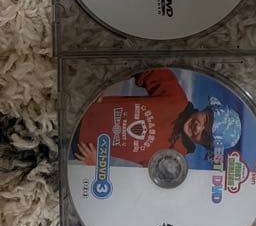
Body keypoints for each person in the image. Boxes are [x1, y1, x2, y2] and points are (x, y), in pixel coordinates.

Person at [72, 69, 242, 168]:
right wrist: (103, 81)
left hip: (77, 148)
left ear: (204, 146)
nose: (199, 127)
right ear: (206, 109)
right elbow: (145, 66)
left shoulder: (172, 159)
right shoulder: (176, 99)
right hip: (82, 107)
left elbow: (133, 182)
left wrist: (96, 167)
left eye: (205, 135)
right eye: (207, 120)